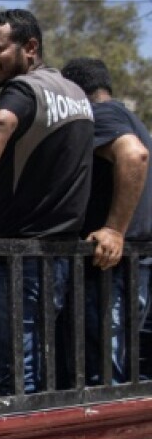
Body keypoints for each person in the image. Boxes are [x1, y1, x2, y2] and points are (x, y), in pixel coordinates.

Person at [0, 9, 93, 394]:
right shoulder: (74, 94)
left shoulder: (24, 89)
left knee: (12, 361)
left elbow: (2, 123)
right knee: (41, 354)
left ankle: (10, 434)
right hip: (56, 254)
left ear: (29, 47)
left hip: (17, 255)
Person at [60, 57, 152, 384]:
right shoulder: (129, 117)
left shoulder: (102, 115)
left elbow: (134, 156)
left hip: (110, 261)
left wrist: (114, 229)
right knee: (118, 356)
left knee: (101, 364)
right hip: (131, 258)